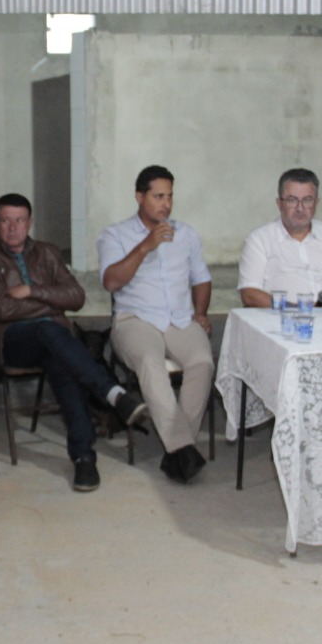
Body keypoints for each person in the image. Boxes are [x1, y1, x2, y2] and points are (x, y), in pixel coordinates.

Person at [0, 193, 148, 491]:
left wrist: (31, 290)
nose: (12, 227)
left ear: (30, 222)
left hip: (52, 342)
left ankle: (84, 458)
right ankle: (112, 393)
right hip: (8, 341)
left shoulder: (48, 253)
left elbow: (76, 297)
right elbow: (1, 309)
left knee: (61, 361)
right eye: (5, 220)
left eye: (19, 220)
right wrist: (52, 304)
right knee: (50, 331)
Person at [97, 165, 214, 484]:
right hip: (135, 319)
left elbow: (201, 278)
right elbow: (111, 281)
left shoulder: (186, 234)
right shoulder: (115, 235)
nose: (166, 204)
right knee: (151, 362)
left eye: (170, 197)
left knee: (202, 362)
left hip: (179, 317)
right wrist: (145, 246)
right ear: (139, 196)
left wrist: (201, 312)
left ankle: (178, 449)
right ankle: (183, 449)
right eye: (158, 196)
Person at [238, 168, 322, 309]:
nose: (300, 208)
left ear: (316, 203)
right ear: (279, 203)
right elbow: (249, 294)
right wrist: (299, 311)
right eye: (292, 200)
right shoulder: (260, 240)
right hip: (282, 319)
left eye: (307, 200)